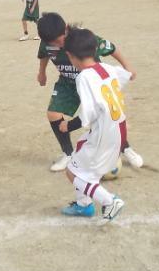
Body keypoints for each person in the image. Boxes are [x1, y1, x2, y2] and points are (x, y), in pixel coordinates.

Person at [36, 12, 144, 171]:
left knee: (106, 116)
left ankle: (125, 148)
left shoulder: (80, 38)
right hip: (67, 82)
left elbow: (111, 47)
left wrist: (127, 66)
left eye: (60, 40)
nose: (59, 45)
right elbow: (44, 55)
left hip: (92, 81)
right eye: (54, 43)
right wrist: (42, 72)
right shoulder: (47, 42)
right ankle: (68, 154)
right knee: (53, 114)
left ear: (65, 29)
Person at [57, 28, 128, 224]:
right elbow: (125, 76)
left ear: (70, 55)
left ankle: (110, 201)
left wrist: (68, 125)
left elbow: (88, 114)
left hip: (104, 133)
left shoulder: (84, 77)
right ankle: (84, 205)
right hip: (118, 128)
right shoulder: (106, 68)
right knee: (83, 160)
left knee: (72, 171)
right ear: (95, 49)